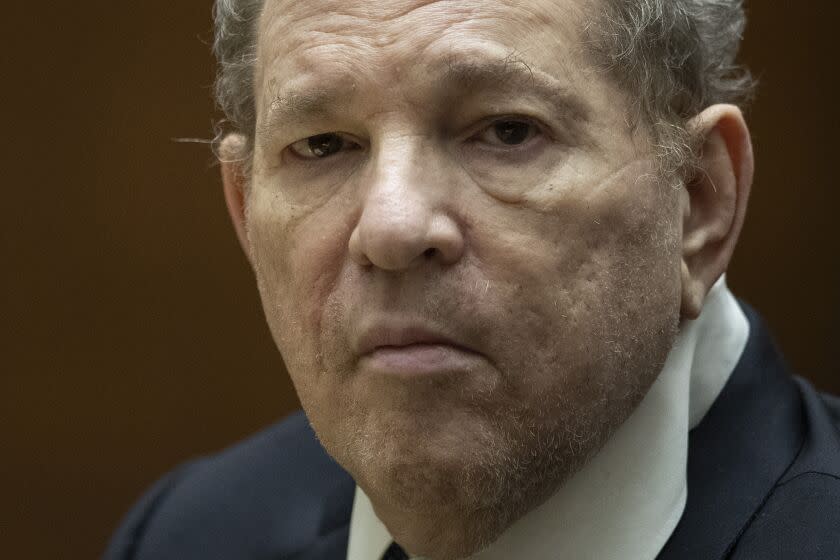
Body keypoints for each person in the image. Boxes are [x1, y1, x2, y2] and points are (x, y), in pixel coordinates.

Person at [104, 0, 840, 558]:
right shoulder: (190, 533)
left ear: (698, 202)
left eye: (508, 131)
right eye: (323, 144)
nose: (391, 228)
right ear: (244, 213)